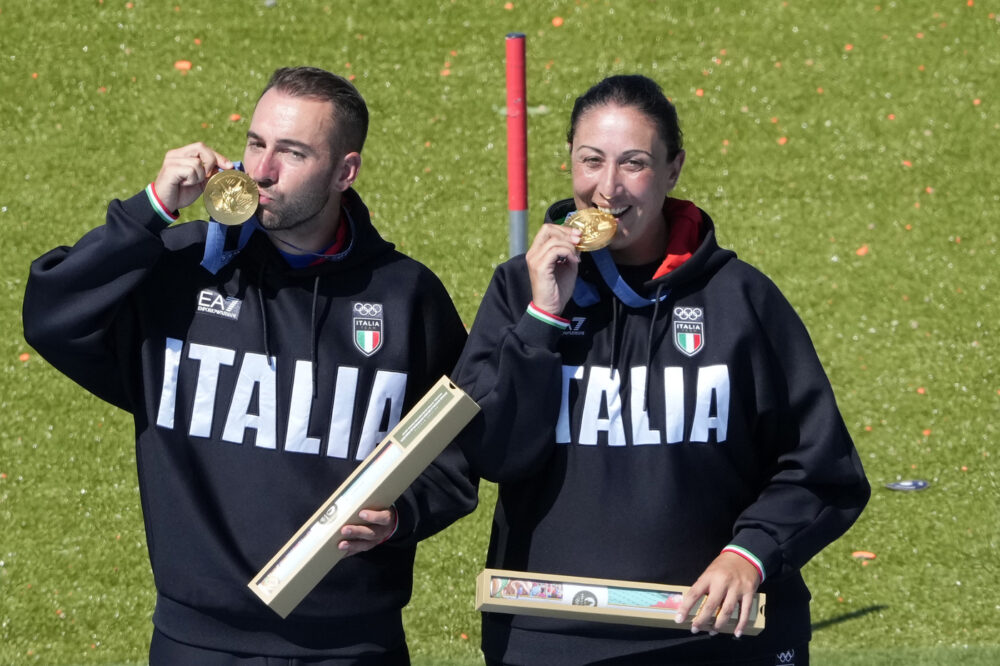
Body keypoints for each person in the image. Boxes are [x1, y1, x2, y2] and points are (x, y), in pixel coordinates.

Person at [23, 66, 477, 665]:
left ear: (345, 171)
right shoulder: (180, 271)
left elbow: (457, 451)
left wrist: (401, 517)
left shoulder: (405, 296)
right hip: (197, 644)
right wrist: (152, 210)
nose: (261, 170)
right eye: (256, 143)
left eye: (291, 152)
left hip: (353, 646)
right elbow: (53, 313)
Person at [453, 74, 870, 665]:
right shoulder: (519, 291)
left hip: (716, 637)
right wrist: (543, 317)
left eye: (635, 164)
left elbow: (823, 469)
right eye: (590, 160)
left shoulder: (740, 299)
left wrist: (750, 552)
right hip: (554, 639)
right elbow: (494, 453)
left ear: (673, 170)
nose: (607, 188)